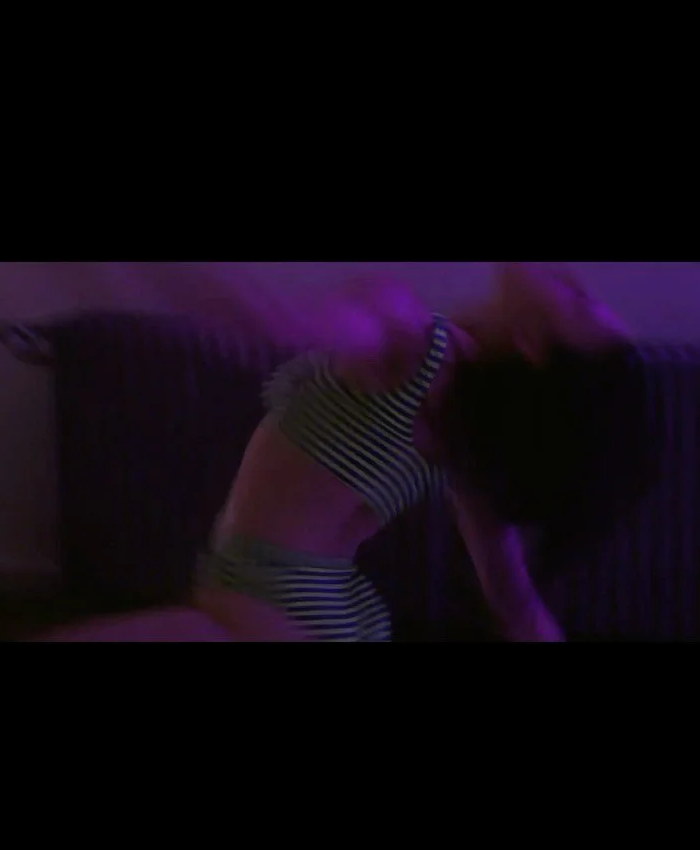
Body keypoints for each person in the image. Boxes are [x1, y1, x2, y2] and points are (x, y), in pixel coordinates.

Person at [193, 264, 653, 642]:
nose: (571, 277)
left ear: (532, 343)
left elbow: (277, 324)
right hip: (315, 608)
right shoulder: (463, 432)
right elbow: (515, 603)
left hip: (267, 603)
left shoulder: (412, 347)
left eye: (579, 302)